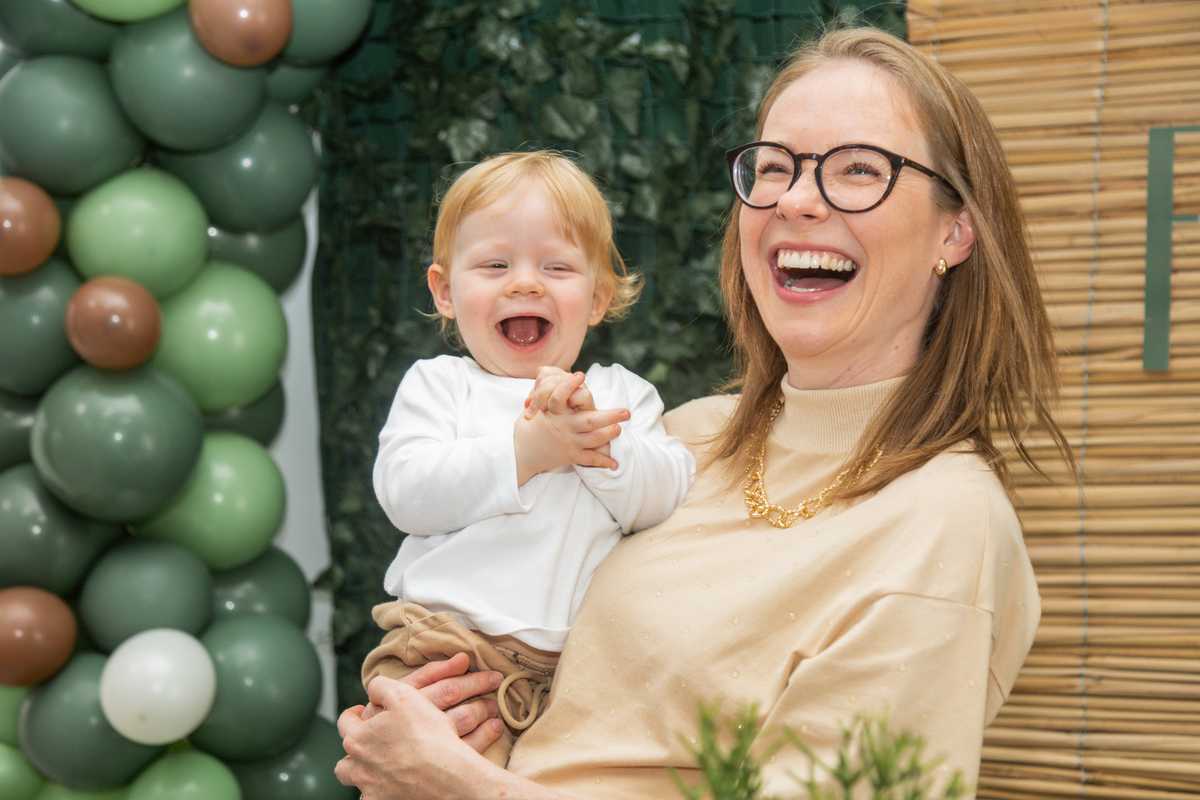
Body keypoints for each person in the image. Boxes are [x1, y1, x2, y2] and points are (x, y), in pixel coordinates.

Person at [336, 25, 1074, 800]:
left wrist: (459, 783)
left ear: (955, 231)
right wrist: (428, 724)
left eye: (859, 169)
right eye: (776, 167)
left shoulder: (945, 523)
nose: (796, 199)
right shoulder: (686, 435)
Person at [361, 150, 696, 766]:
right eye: (494, 264)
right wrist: (527, 451)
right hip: (446, 652)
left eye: (556, 266)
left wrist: (595, 440)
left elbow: (665, 493)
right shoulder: (440, 386)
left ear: (597, 299)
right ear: (445, 291)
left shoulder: (619, 396)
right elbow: (407, 492)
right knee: (431, 776)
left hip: (580, 674)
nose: (524, 283)